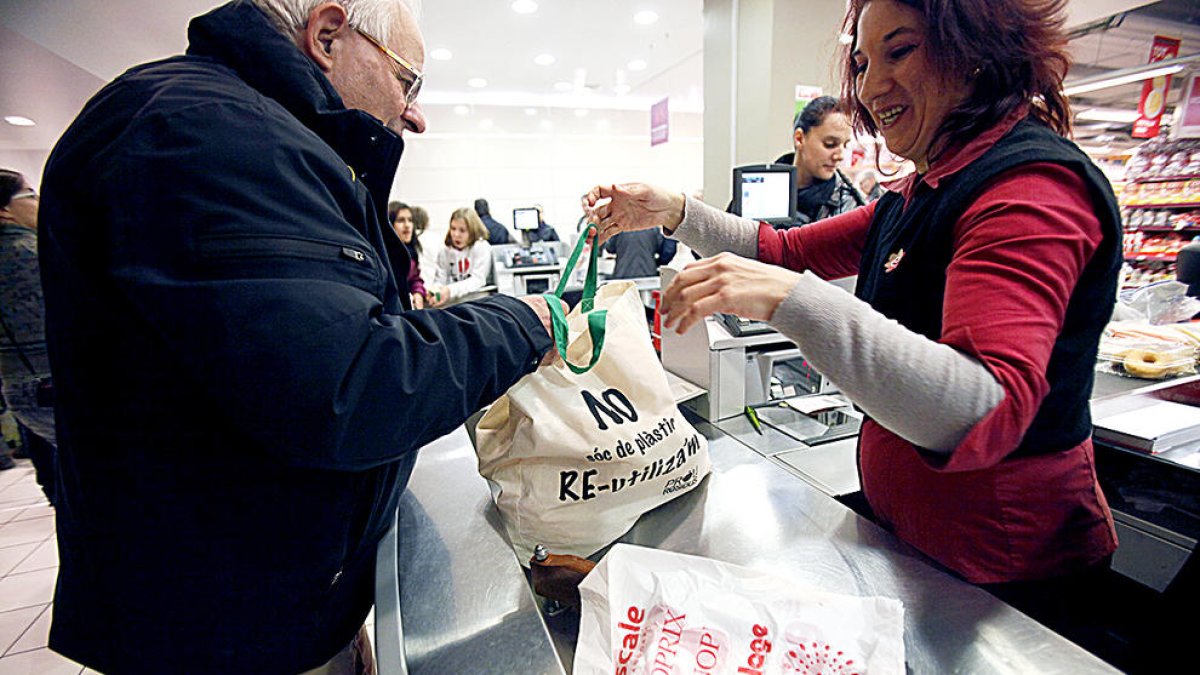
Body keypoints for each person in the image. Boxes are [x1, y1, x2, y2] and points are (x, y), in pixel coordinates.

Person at [588, 0, 1121, 658]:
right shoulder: (921, 191)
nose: (869, 87)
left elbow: (983, 403)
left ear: (976, 47)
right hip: (920, 551)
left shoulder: (1031, 187)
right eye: (864, 62)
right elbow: (782, 249)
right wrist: (674, 211)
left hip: (1009, 579)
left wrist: (796, 302)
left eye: (900, 52)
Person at [37, 1, 558, 673]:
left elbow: (310, 333)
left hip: (266, 604)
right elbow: (348, 384)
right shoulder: (211, 134)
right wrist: (521, 322)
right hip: (223, 627)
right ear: (329, 35)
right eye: (409, 81)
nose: (416, 113)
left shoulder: (250, 135)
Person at [0, 169, 57, 496]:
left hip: (19, 383)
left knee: (55, 472)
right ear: (4, 209)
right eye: (30, 195)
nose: (39, 203)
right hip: (52, 379)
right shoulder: (33, 252)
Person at [731, 96, 863, 228]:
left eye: (845, 145)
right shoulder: (756, 187)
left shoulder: (848, 205)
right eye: (830, 144)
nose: (839, 156)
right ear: (799, 138)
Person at [428, 207, 493, 306]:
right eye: (453, 228)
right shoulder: (445, 251)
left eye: (462, 230)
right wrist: (436, 291)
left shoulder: (481, 247)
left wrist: (450, 290)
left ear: (473, 231)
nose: (456, 234)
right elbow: (441, 278)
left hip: (477, 303)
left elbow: (478, 280)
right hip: (453, 305)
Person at [388, 200, 427, 308]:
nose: (407, 225)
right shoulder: (383, 256)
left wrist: (418, 293)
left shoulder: (412, 251)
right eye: (401, 220)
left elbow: (415, 279)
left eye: (410, 220)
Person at [603, 228, 677, 280]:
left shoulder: (619, 229)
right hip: (648, 276)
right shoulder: (653, 228)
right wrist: (657, 262)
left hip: (623, 275)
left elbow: (609, 248)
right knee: (647, 301)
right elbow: (666, 250)